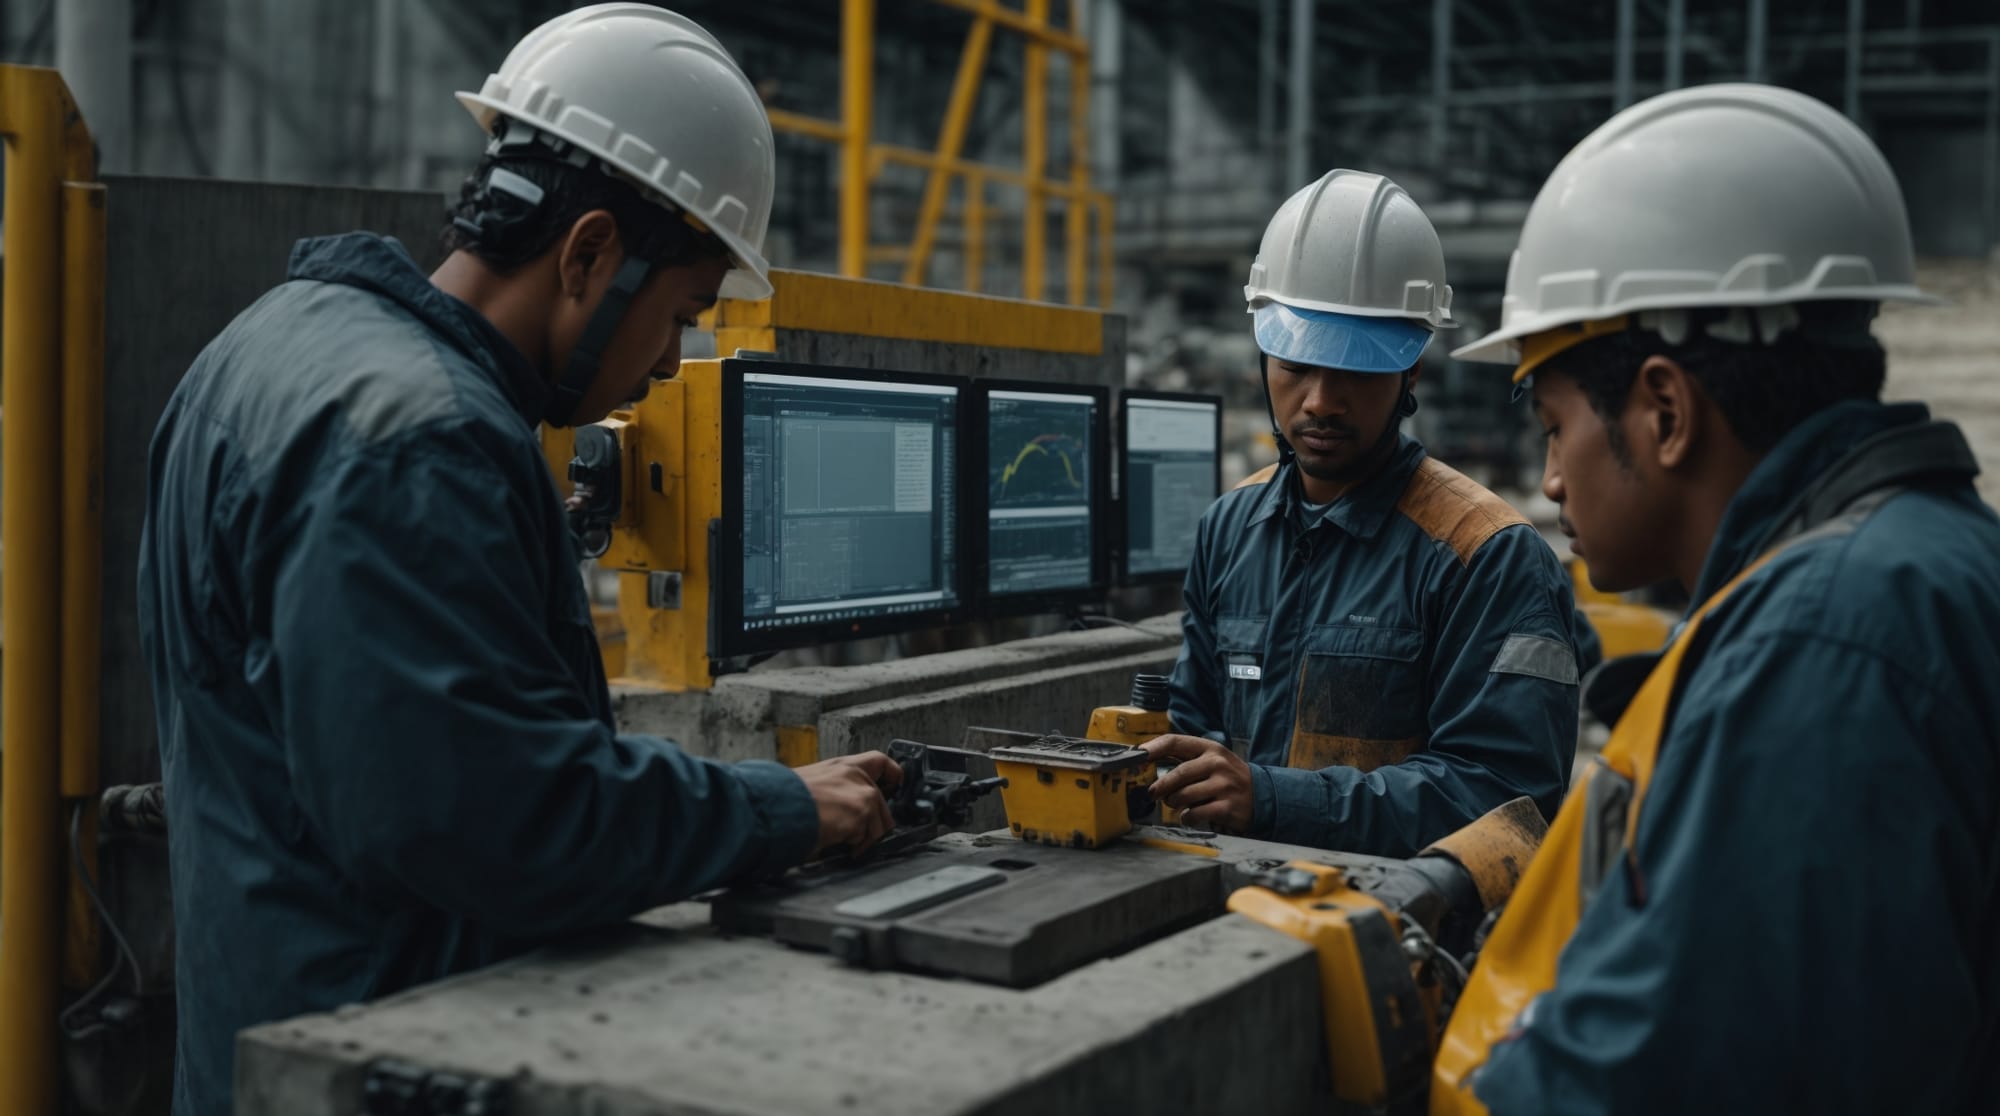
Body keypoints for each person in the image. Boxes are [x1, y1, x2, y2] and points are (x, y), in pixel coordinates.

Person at [136, 8, 898, 1113]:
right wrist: (779, 810)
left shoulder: (264, 346)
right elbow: (488, 821)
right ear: (588, 253)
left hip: (261, 1022)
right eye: (681, 312)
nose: (668, 362)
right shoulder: (423, 440)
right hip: (387, 1050)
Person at [1431, 84, 2000, 1114]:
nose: (1549, 478)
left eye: (1552, 423)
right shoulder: (1917, 565)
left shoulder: (1823, 643)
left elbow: (1669, 1079)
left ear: (1661, 408)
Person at [1144, 169, 1583, 857]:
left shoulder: (1487, 556)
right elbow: (1193, 728)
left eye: (1352, 367)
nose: (1320, 400)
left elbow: (1507, 798)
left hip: (1401, 932)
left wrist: (1271, 798)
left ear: (1410, 371)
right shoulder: (1228, 530)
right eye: (1296, 363)